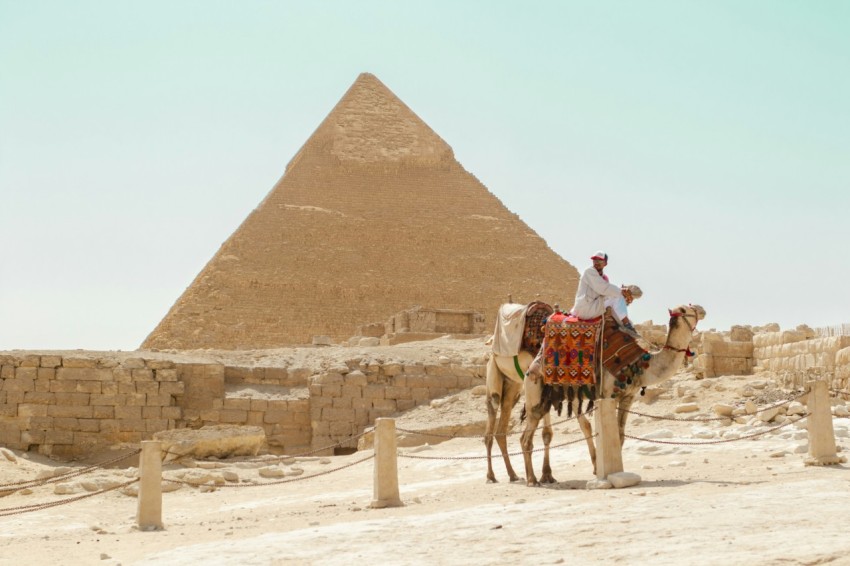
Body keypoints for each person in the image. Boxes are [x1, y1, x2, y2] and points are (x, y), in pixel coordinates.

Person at [570, 251, 624, 320]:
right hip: (585, 308)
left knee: (615, 297)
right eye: (595, 260)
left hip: (593, 307)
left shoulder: (604, 278)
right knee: (615, 296)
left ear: (605, 263)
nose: (596, 262)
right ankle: (626, 323)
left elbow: (606, 291)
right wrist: (621, 291)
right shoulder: (589, 272)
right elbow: (603, 289)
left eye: (600, 260)